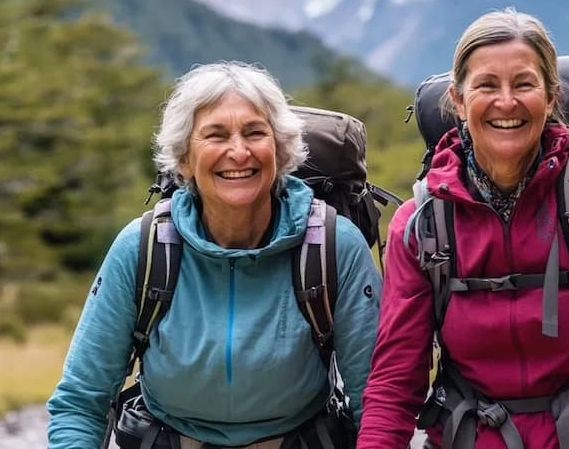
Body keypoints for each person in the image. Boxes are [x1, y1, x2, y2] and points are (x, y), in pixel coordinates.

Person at [357, 10, 569, 449]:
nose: (507, 102)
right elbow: (395, 381)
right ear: (458, 100)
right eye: (487, 86)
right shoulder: (422, 223)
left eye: (524, 84)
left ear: (551, 96)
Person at [47, 62, 383, 449]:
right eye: (215, 135)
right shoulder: (142, 249)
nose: (239, 152)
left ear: (280, 150)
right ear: (184, 160)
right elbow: (81, 401)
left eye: (255, 133)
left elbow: (373, 401)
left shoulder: (332, 245)